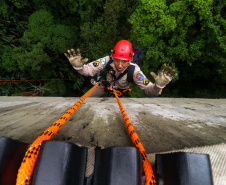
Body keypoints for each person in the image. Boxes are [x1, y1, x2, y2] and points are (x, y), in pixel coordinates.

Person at [64, 40, 177, 97]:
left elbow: (149, 91)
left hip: (121, 93)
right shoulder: (108, 59)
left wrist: (158, 86)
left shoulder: (134, 70)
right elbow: (89, 70)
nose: (119, 65)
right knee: (83, 100)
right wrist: (78, 66)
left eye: (124, 62)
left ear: (130, 60)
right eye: (117, 60)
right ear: (113, 56)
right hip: (105, 86)